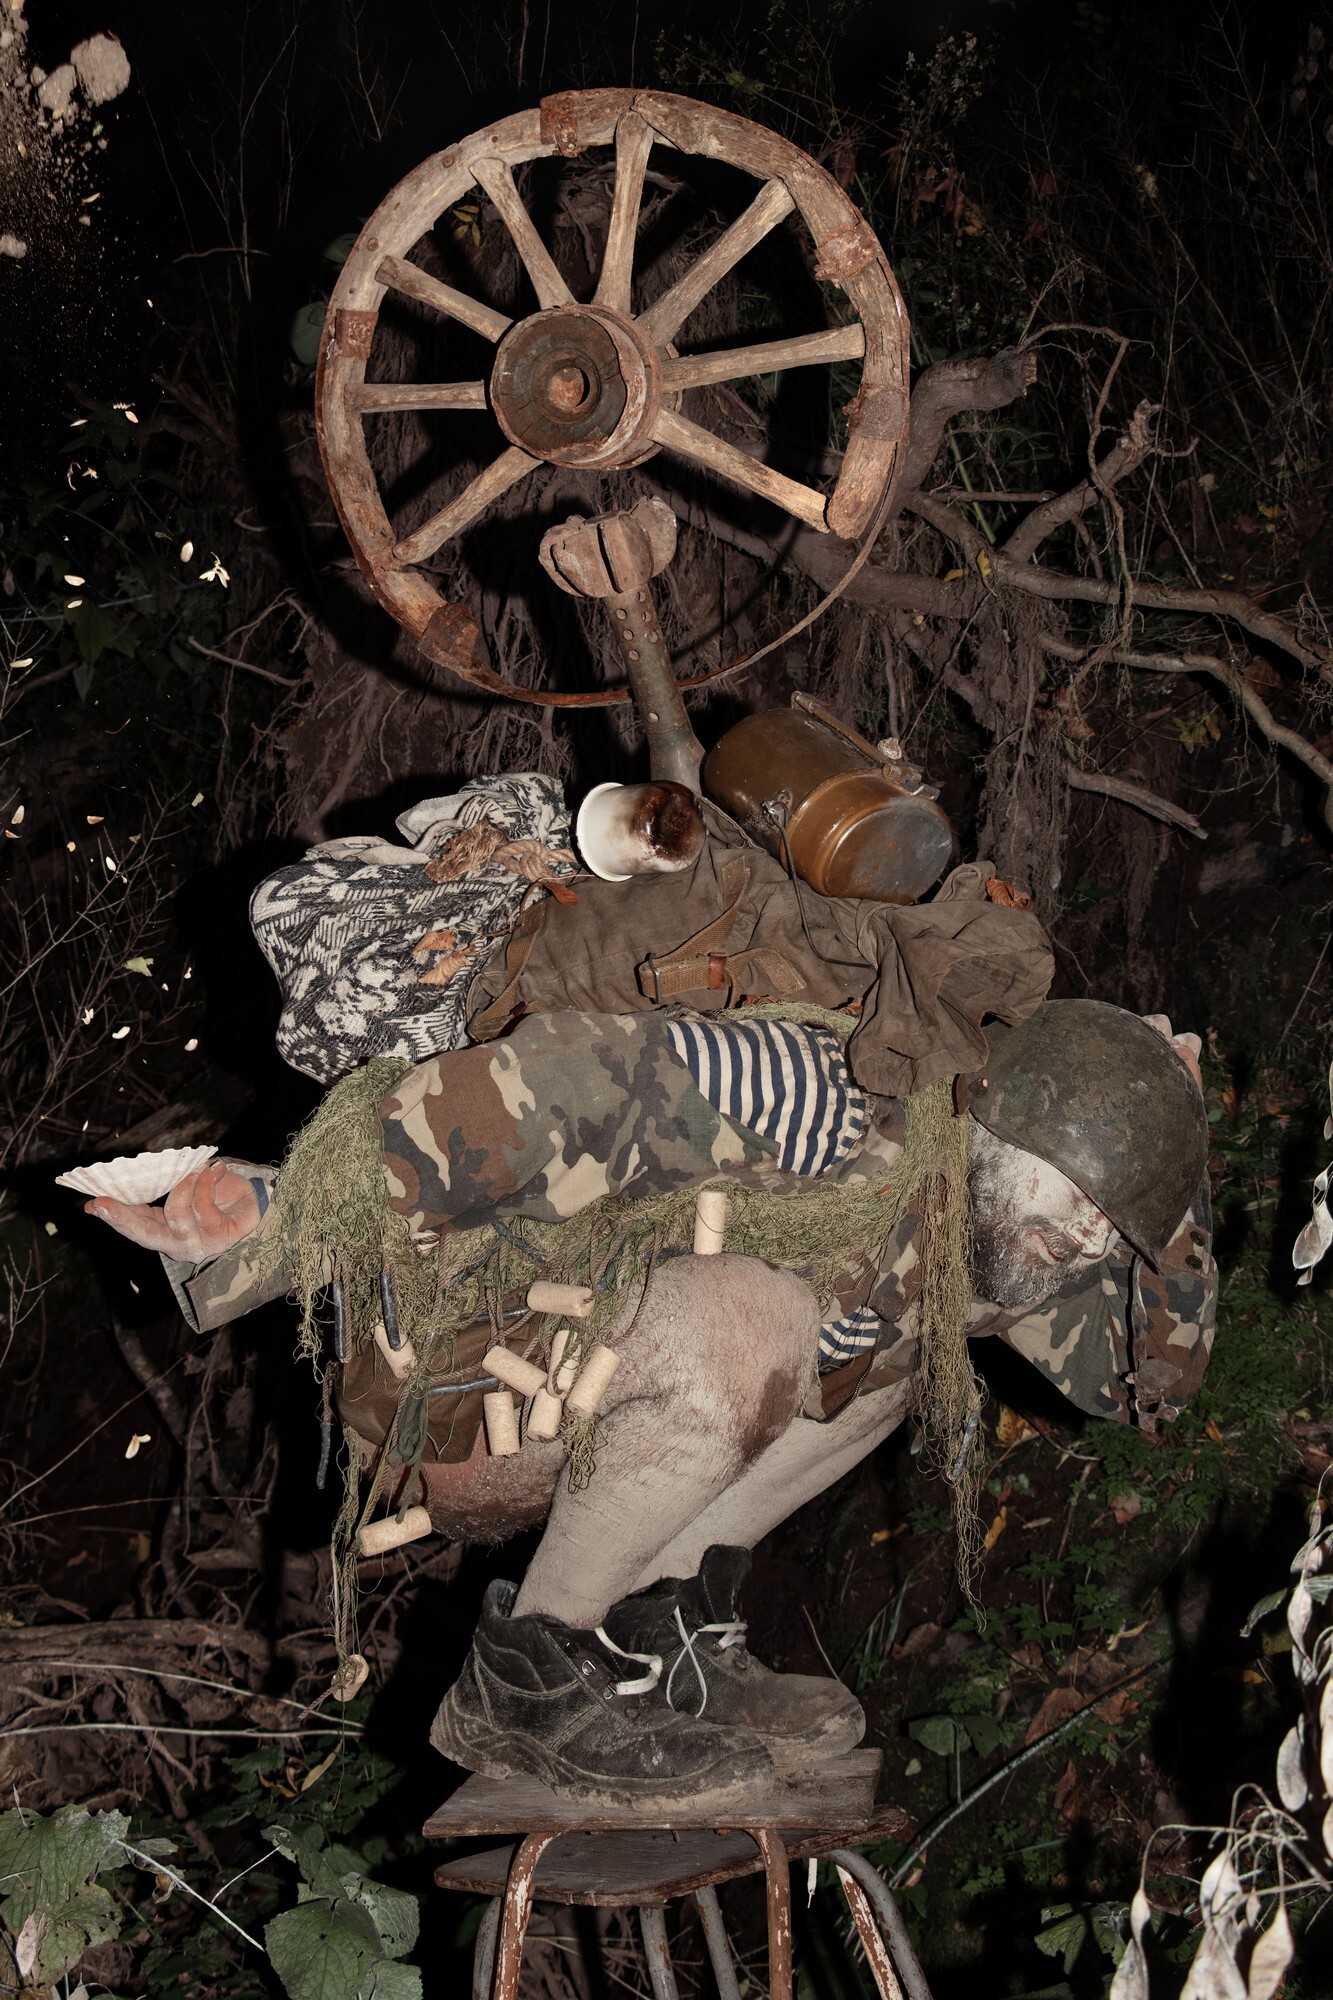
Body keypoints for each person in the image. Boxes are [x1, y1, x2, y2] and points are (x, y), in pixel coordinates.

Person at [87, 996, 1213, 1813]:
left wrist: (1174, 1186)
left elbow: (1144, 1382)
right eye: (1082, 1202)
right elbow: (544, 1089)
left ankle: (656, 1634)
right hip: (475, 1391)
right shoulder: (811, 1095)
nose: (1086, 1243)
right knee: (758, 1320)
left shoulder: (1001, 1235)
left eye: (1110, 1229)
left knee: (898, 1367)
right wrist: (279, 1216)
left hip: (608, 1395)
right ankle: (526, 1672)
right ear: (999, 1125)